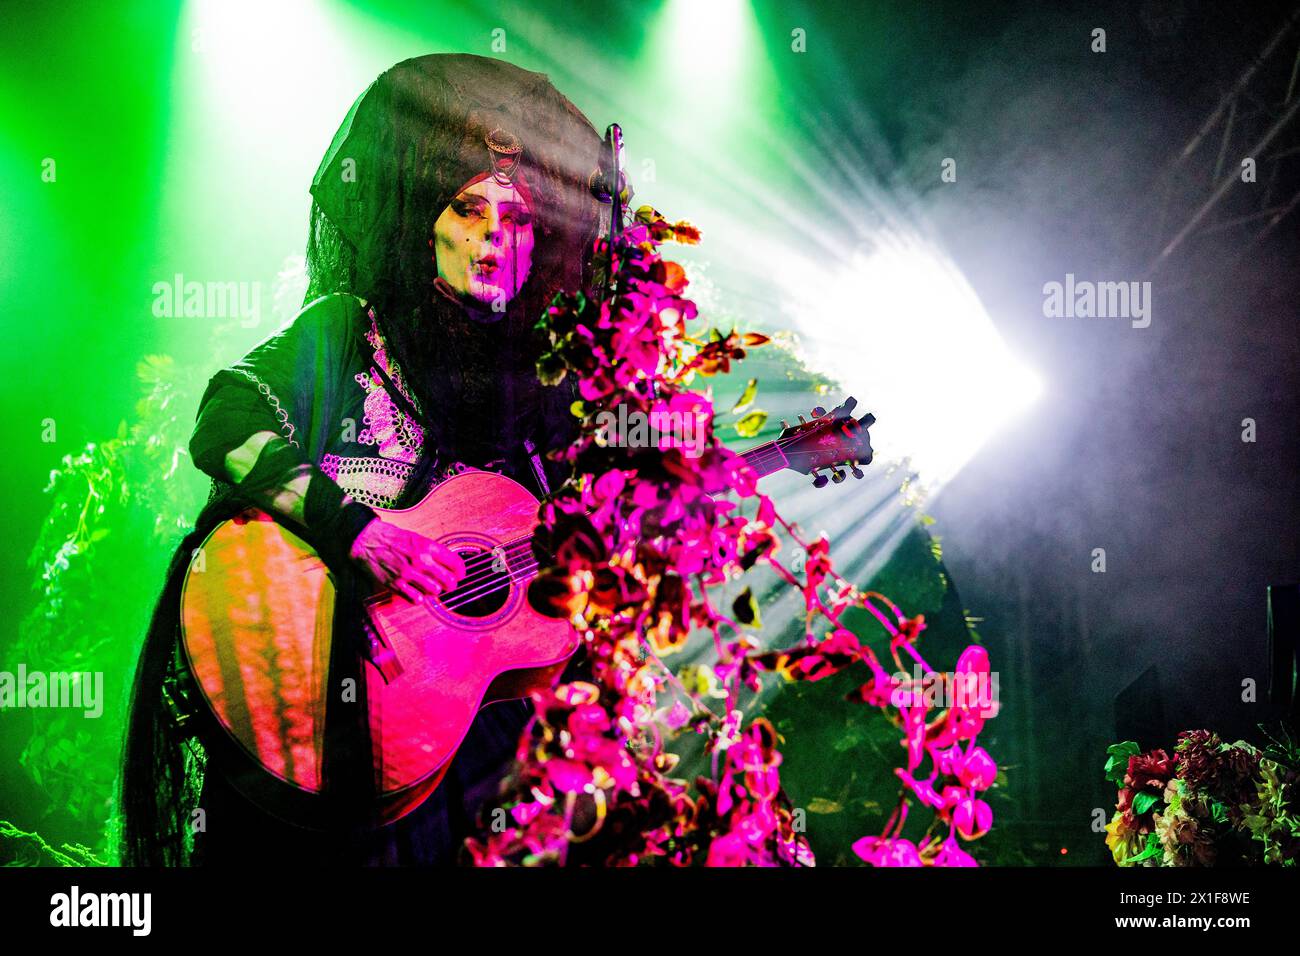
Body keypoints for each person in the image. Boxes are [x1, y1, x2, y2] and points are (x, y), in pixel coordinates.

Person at [120, 53, 604, 865]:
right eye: (467, 209)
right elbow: (224, 421)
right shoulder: (348, 331)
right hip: (309, 688)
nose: (492, 235)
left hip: (455, 736)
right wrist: (356, 531)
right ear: (428, 227)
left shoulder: (549, 392)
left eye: (516, 219)